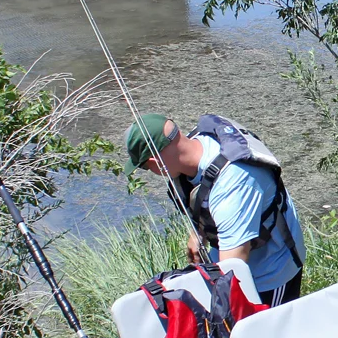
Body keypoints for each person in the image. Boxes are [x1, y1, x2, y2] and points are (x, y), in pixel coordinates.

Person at [124, 113, 307, 306]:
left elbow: (232, 272)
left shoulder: (233, 184)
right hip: (236, 253)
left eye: (145, 167)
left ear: (156, 162)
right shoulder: (196, 146)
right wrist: (198, 232)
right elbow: (202, 194)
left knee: (265, 333)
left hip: (270, 272)